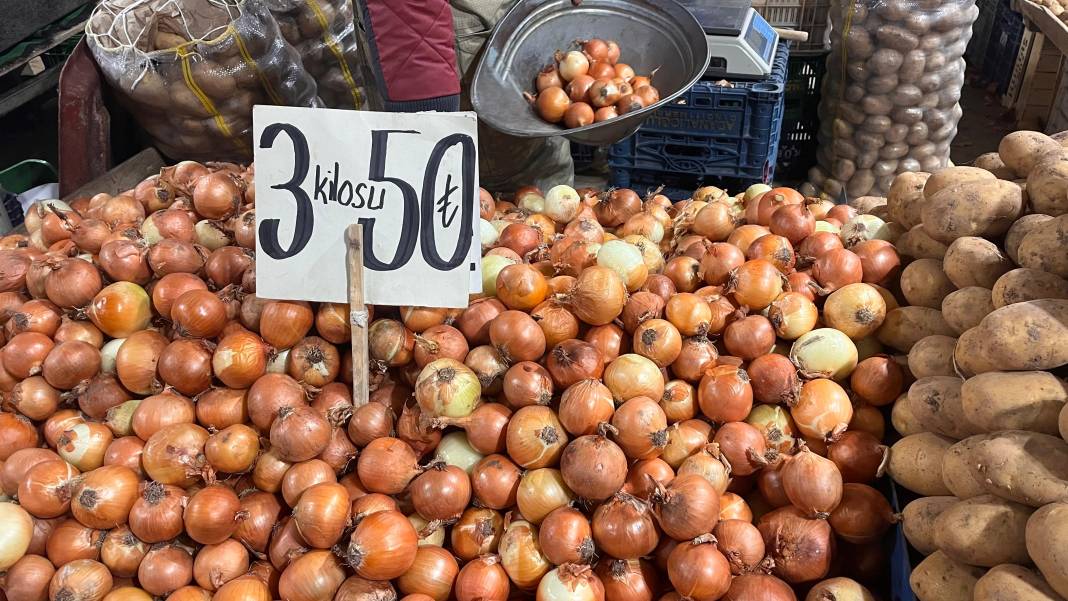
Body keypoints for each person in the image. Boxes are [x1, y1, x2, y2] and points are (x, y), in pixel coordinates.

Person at [354, 0, 574, 193]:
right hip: (444, 41)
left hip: (501, 29)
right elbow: (409, 20)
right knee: (503, 204)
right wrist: (426, 124)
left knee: (541, 207)